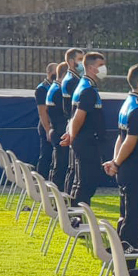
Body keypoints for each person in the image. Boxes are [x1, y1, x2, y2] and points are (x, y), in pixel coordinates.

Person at [104, 63, 138, 256]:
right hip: (136, 170)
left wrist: (116, 161)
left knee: (125, 215)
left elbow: (121, 137)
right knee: (133, 218)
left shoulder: (129, 103)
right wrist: (116, 162)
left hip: (127, 168)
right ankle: (126, 260)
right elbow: (130, 141)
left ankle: (118, 252)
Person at [60, 51, 108, 207]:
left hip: (84, 140)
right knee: (86, 182)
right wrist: (72, 136)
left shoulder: (85, 85)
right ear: (91, 67)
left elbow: (74, 117)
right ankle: (77, 217)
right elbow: (79, 116)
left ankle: (75, 213)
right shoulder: (87, 89)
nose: (104, 68)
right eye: (101, 65)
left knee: (82, 181)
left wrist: (71, 134)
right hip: (87, 141)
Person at [51, 47, 83, 191]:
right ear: (71, 62)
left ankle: (61, 196)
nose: (83, 63)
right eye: (80, 60)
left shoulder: (72, 80)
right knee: (68, 167)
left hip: (66, 126)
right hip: (68, 127)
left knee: (67, 166)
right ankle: (64, 198)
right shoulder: (71, 81)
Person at [34, 62, 58, 178]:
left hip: (54, 124)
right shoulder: (42, 88)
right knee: (46, 155)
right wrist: (48, 129)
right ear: (49, 72)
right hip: (46, 125)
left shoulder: (56, 86)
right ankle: (40, 180)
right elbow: (42, 112)